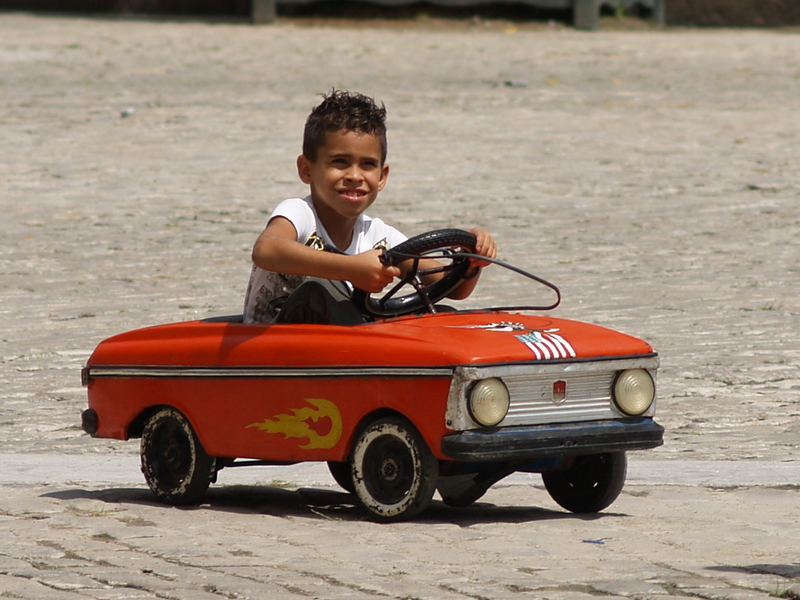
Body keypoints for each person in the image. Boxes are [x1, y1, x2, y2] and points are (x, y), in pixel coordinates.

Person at [243, 89, 496, 325]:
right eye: (340, 162)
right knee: (319, 289)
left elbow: (450, 287)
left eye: (367, 165)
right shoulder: (299, 213)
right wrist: (352, 269)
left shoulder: (380, 237)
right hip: (272, 348)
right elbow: (266, 250)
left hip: (344, 340)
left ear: (382, 176)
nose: (355, 175)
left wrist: (470, 260)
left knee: (442, 316)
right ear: (307, 170)